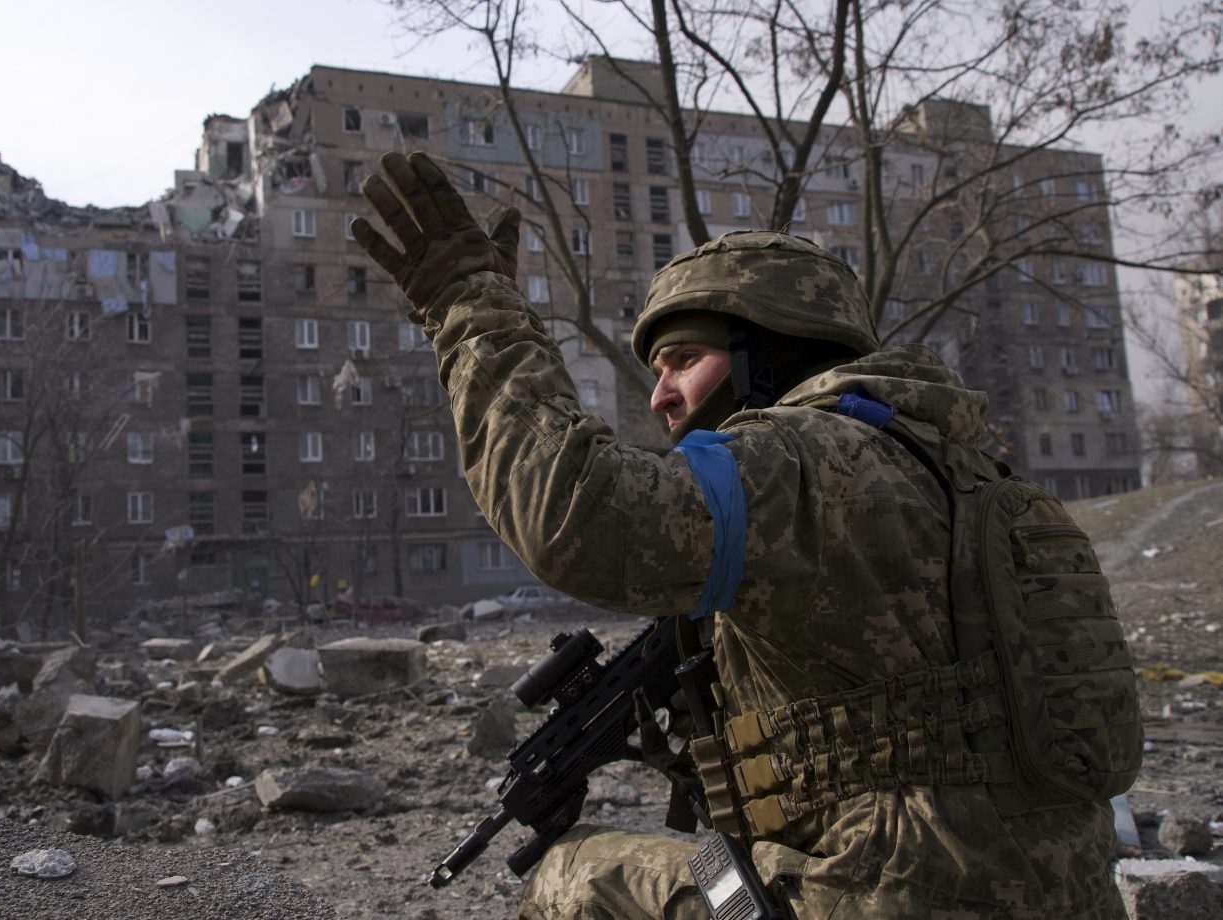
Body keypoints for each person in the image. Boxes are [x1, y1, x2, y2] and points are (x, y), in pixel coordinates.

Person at [352, 152, 1133, 919]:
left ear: (771, 354)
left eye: (683, 361)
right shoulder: (978, 478)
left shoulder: (797, 459)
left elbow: (574, 517)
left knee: (570, 875)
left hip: (882, 893)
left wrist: (471, 304)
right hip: (1062, 891)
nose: (660, 396)